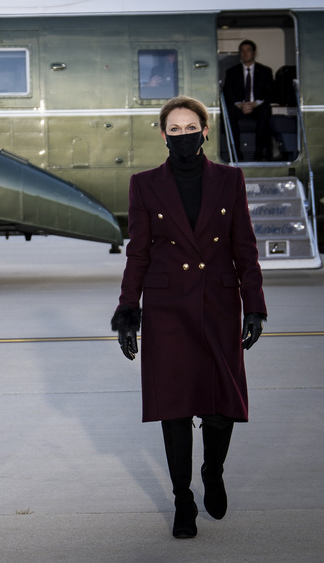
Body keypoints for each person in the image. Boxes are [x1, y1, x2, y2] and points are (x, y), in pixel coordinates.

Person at [111, 95, 266, 539]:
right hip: (168, 309)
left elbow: (244, 247)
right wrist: (128, 309)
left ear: (205, 131)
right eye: (174, 130)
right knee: (174, 411)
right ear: (162, 135)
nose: (183, 136)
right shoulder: (144, 184)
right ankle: (183, 501)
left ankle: (212, 471)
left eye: (190, 128)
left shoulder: (229, 180)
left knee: (221, 411)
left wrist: (254, 303)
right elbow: (137, 252)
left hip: (217, 305)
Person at [222, 40, 274, 160]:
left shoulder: (266, 71)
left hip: (257, 107)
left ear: (254, 53)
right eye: (242, 51)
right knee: (229, 112)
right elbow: (228, 93)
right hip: (239, 107)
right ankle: (236, 154)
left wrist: (254, 104)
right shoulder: (232, 71)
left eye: (248, 50)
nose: (245, 53)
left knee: (265, 111)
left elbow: (270, 94)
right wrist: (240, 105)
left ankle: (259, 154)